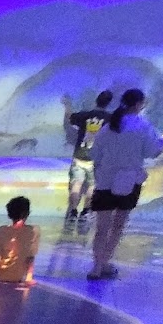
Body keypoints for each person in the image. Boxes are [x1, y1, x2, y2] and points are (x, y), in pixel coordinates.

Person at [86, 89, 163, 281]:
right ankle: (105, 262)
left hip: (105, 181)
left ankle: (96, 267)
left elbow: (94, 154)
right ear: (139, 104)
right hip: (128, 182)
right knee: (118, 226)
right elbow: (151, 152)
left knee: (101, 228)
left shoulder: (109, 126)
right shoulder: (143, 126)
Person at [63, 90, 113, 224]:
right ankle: (85, 212)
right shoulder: (110, 119)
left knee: (76, 184)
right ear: (108, 103)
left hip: (80, 155)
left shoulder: (85, 115)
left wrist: (67, 105)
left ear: (96, 101)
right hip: (96, 159)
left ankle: (73, 211)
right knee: (92, 186)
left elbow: (69, 117)